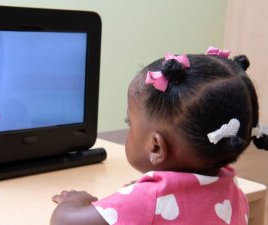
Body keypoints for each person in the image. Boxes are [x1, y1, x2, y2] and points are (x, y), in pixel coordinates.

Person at [50, 47, 268, 225]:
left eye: (130, 123)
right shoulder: (230, 185)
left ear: (156, 147)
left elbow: (64, 222)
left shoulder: (150, 200)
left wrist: (75, 200)